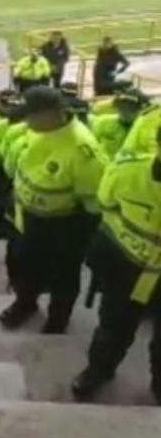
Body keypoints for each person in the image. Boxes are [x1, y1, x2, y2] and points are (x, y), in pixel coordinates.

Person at [0, 86, 107, 334]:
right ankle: (25, 304)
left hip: (64, 226)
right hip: (27, 217)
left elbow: (93, 206)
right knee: (25, 266)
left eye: (30, 115)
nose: (25, 121)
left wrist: (80, 240)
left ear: (52, 113)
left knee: (64, 276)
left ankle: (58, 319)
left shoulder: (83, 152)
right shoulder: (37, 131)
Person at [71, 125, 161, 404]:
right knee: (112, 327)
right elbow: (107, 206)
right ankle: (98, 370)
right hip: (127, 266)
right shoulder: (126, 171)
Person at [91, 90, 151, 159]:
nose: (124, 110)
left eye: (130, 107)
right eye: (121, 106)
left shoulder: (146, 129)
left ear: (140, 109)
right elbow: (93, 146)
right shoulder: (103, 122)